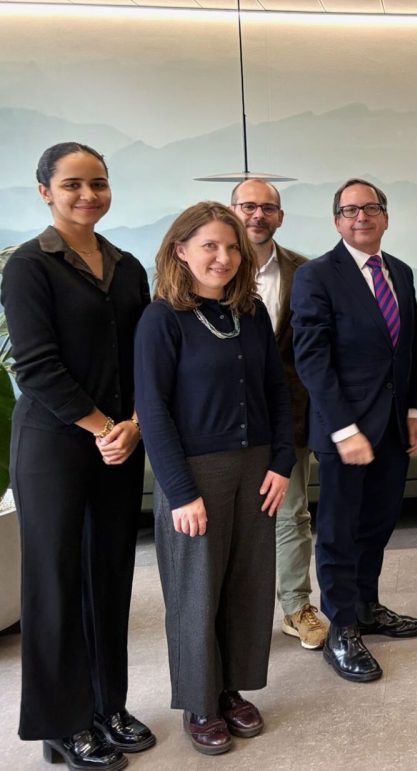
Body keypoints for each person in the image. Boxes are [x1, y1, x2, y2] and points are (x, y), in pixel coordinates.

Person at [4, 143, 153, 770]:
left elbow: (145, 356)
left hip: (119, 444)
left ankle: (107, 705)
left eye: (98, 183)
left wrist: (134, 424)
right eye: (72, 184)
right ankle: (61, 725)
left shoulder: (127, 266)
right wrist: (104, 427)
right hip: (55, 446)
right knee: (56, 583)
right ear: (45, 191)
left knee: (110, 575)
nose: (88, 195)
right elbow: (35, 366)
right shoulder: (28, 266)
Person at [135, 202, 294, 754]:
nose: (223, 257)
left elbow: (277, 391)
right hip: (196, 474)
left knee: (247, 584)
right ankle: (200, 702)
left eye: (231, 248)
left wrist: (282, 462)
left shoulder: (251, 312)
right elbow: (152, 410)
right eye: (209, 246)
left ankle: (231, 690)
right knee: (196, 593)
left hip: (257, 468)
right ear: (181, 250)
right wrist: (180, 492)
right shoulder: (161, 319)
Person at [291, 179, 417, 682]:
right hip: (345, 432)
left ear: (386, 218)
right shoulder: (315, 276)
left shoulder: (401, 273)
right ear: (337, 221)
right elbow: (312, 360)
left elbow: (410, 349)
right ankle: (342, 628)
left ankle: (367, 607)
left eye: (371, 208)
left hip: (392, 428)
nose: (361, 217)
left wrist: (415, 410)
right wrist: (344, 429)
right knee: (338, 533)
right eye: (350, 210)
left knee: (377, 525)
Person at [229, 178, 328, 650]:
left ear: (280, 217)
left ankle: (296, 606)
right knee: (231, 520)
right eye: (248, 206)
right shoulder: (209, 267)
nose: (258, 215)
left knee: (291, 514)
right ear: (232, 211)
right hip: (223, 419)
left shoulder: (304, 272)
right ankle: (234, 614)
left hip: (289, 414)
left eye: (267, 207)